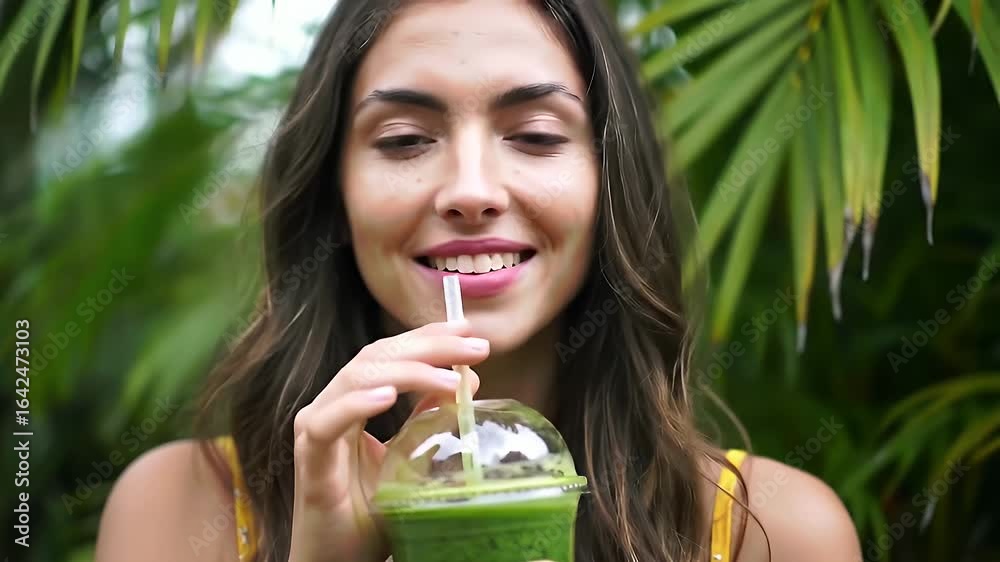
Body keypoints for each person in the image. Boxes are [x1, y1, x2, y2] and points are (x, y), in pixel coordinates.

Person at [95, 1, 862, 561]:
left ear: (609, 184)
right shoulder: (179, 513)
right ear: (335, 195)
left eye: (535, 135)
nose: (470, 190)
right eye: (404, 140)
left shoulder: (773, 533)